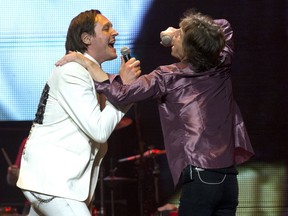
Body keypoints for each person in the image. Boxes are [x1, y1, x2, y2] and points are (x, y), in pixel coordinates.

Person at [56, 9, 255, 216]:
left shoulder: (168, 76)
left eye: (178, 35)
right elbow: (223, 25)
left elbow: (121, 94)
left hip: (201, 175)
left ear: (188, 46)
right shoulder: (222, 61)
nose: (172, 37)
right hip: (229, 180)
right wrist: (185, 32)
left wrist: (86, 62)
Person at [16, 9, 140, 216]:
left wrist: (122, 87)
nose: (116, 32)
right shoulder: (73, 72)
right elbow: (99, 130)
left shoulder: (87, 73)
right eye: (106, 28)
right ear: (86, 38)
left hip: (53, 182)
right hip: (52, 181)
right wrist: (125, 90)